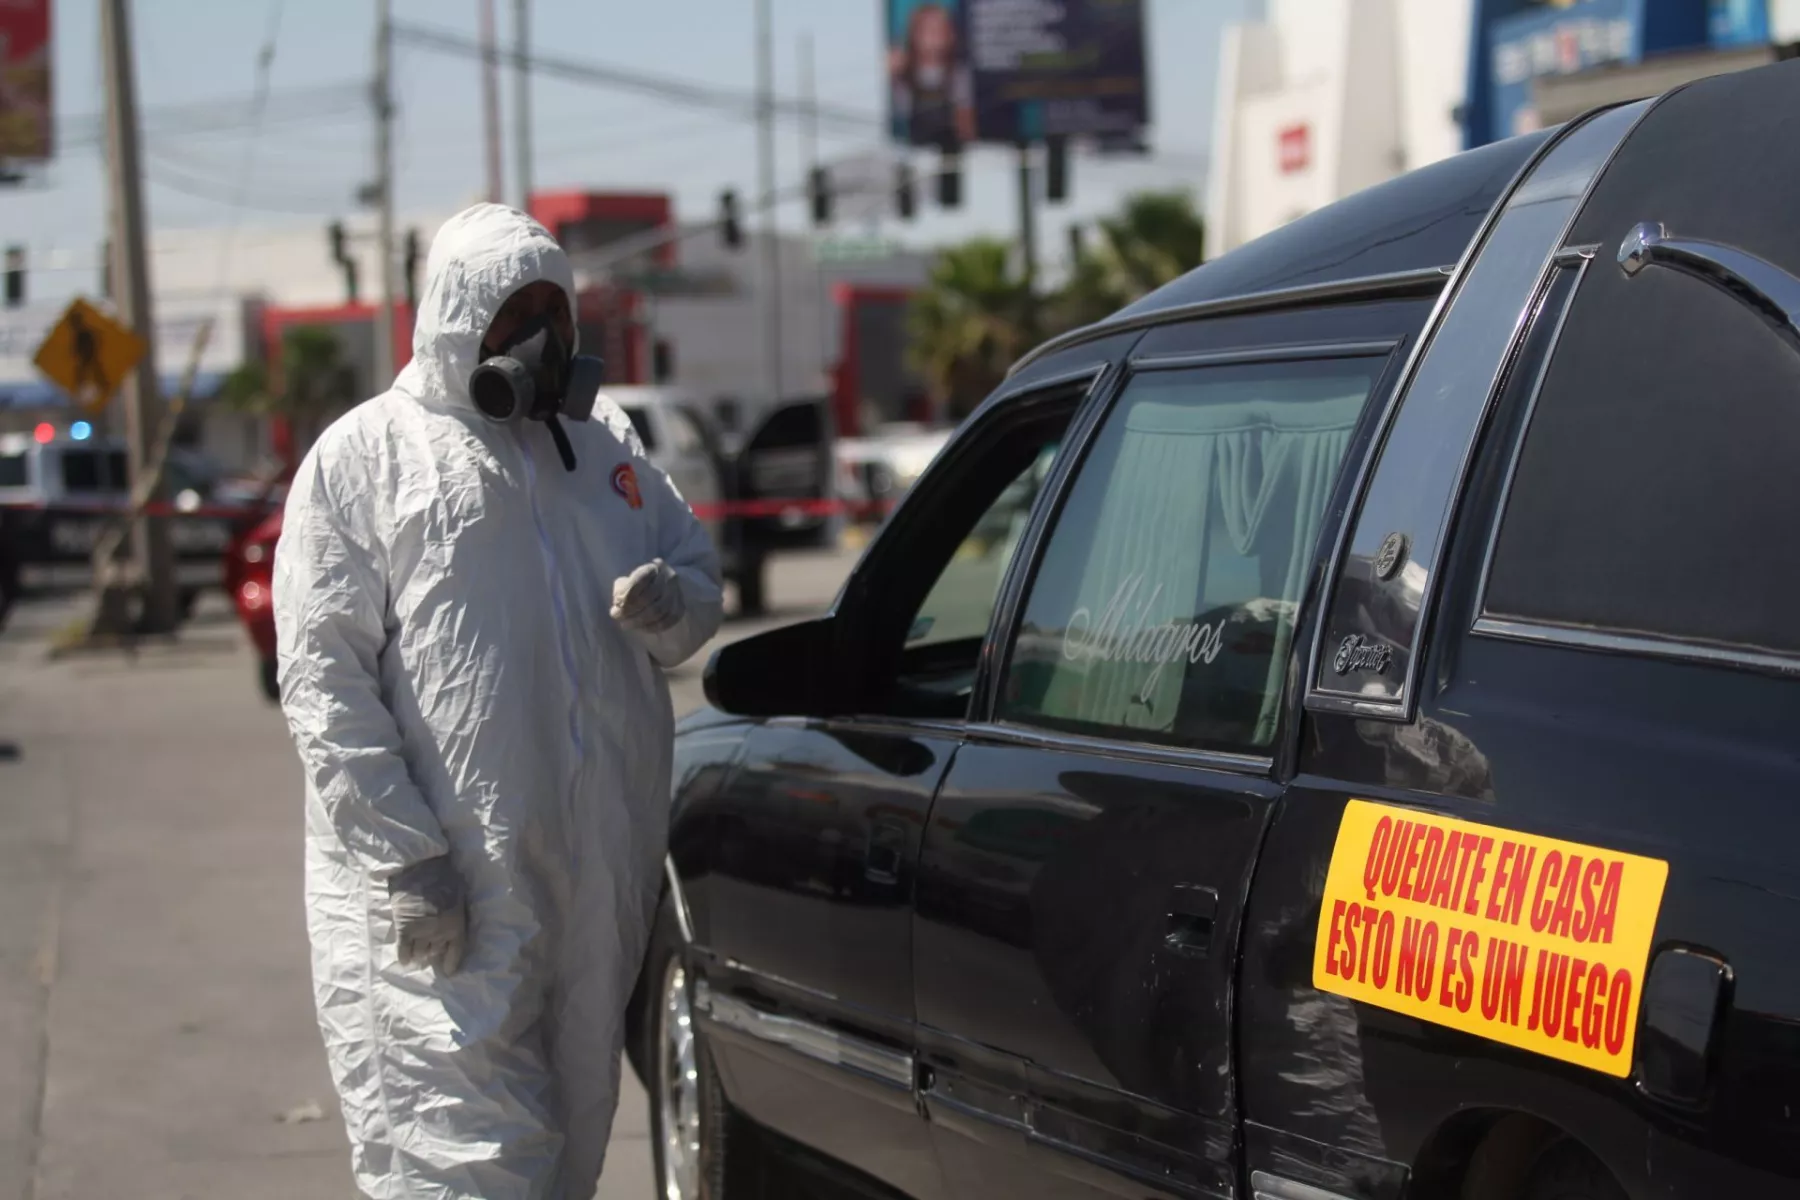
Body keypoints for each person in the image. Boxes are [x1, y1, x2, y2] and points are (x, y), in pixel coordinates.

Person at [273, 203, 722, 1199]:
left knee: (564, 1157)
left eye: (553, 313)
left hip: (585, 893)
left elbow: (697, 582)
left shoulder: (601, 450)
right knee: (465, 1167)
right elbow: (323, 679)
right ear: (454, 318)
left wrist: (671, 603)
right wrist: (407, 857)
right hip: (448, 907)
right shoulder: (365, 460)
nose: (541, 339)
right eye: (514, 311)